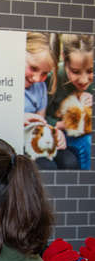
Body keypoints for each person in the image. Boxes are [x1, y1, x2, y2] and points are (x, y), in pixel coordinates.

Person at [22, 32, 77, 169]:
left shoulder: (40, 87)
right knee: (48, 166)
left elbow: (42, 123)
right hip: (18, 144)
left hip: (35, 140)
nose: (36, 78)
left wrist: (53, 133)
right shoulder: (3, 83)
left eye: (45, 73)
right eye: (33, 68)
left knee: (70, 161)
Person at [46, 33, 94, 170]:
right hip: (59, 134)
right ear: (64, 61)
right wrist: (62, 124)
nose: (84, 80)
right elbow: (42, 118)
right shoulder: (53, 78)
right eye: (75, 71)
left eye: (90, 71)